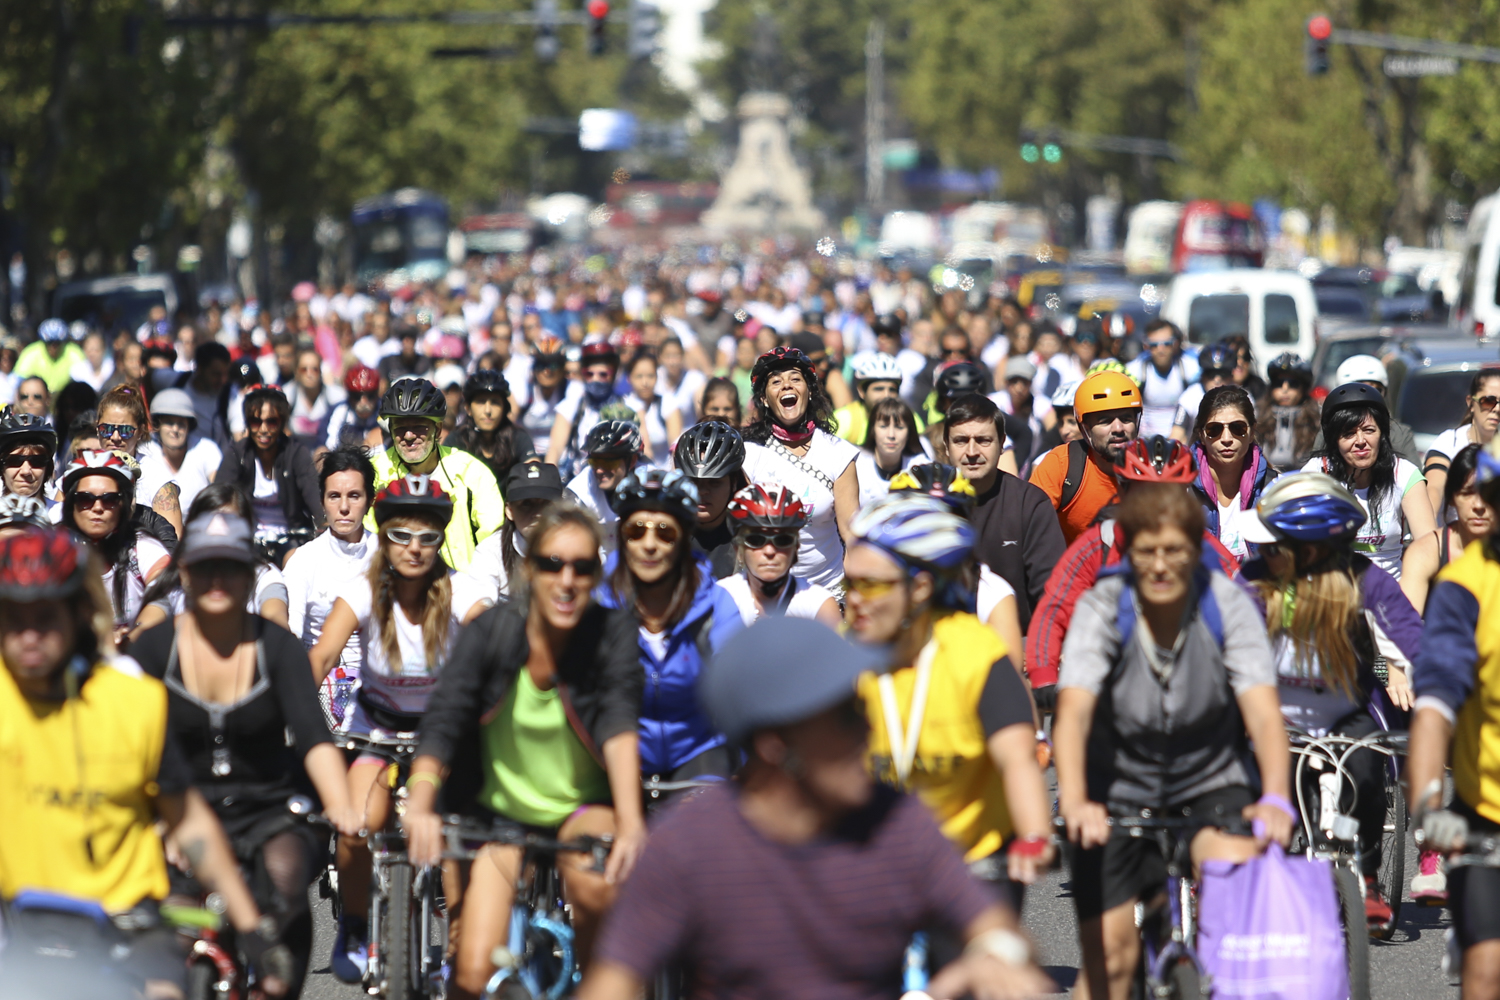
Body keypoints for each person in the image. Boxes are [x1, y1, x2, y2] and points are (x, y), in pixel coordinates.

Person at [578, 616, 1055, 1000]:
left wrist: (993, 957)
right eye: (848, 715)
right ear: (773, 745)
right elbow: (613, 984)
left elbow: (991, 923)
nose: (869, 731)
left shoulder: (895, 820)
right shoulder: (691, 845)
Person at [0, 526, 293, 999]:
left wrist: (253, 929)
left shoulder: (133, 701)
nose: (29, 635)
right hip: (23, 924)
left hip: (127, 923)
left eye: (46, 617)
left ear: (78, 615)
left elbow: (191, 824)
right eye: (14, 619)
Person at [1054, 483, 1294, 1000]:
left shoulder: (1226, 605)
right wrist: (1074, 800)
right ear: (1127, 551)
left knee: (1232, 923)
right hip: (1116, 787)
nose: (1160, 566)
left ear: (1197, 549)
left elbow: (1262, 713)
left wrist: (1276, 797)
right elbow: (1072, 714)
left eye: (1175, 551)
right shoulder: (1103, 608)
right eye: (1146, 552)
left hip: (1211, 778)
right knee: (1111, 962)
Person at [403, 502, 646, 999]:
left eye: (583, 567)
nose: (567, 580)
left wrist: (631, 819)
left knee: (596, 887)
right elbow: (446, 717)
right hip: (499, 815)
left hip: (583, 808)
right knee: (472, 974)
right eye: (552, 564)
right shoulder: (492, 631)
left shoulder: (611, 631)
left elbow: (620, 723)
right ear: (529, 568)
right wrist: (423, 798)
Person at [131, 510, 362, 999]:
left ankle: (276, 984)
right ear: (185, 572)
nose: (218, 580)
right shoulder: (153, 651)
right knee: (166, 939)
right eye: (205, 566)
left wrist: (342, 807)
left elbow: (314, 737)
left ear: (250, 573)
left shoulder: (276, 648)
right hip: (177, 810)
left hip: (269, 808)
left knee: (283, 890)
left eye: (232, 567)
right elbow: (127, 746)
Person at [309, 474, 489, 982]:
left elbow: (491, 633)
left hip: (444, 734)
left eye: (428, 536)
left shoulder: (461, 589)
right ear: (382, 536)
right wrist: (292, 708)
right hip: (376, 730)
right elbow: (322, 655)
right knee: (356, 823)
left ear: (441, 539)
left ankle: (457, 942)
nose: (414, 548)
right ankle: (355, 923)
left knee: (454, 836)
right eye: (400, 535)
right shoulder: (362, 590)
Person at [845, 494, 1053, 920]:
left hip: (973, 863)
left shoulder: (976, 654)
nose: (855, 600)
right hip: (883, 865)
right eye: (849, 583)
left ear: (920, 588)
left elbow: (1018, 760)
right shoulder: (844, 660)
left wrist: (1034, 834)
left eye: (871, 585)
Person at [1239, 471, 1424, 928]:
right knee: (1257, 795)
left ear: (1312, 549)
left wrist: (1435, 681)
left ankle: (1367, 873)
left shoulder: (1366, 580)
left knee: (1367, 769)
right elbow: (1218, 636)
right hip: (1273, 718)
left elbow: (1413, 638)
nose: (1261, 551)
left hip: (1345, 711)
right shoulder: (1255, 578)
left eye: (1274, 543)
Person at [1027, 436, 1242, 708]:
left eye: (1169, 495)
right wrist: (1044, 676)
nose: (1155, 508)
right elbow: (1054, 609)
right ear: (1123, 491)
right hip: (1110, 689)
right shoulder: (1099, 543)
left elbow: (1243, 606)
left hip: (1189, 688)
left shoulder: (1204, 549)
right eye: (1144, 493)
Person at [1407, 435, 1500, 991]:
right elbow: (1435, 703)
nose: (1484, 506)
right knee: (1488, 969)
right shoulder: (1462, 587)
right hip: (1485, 808)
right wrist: (1425, 803)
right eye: (1472, 495)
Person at [597, 468, 743, 789]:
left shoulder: (718, 607)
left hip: (699, 752)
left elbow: (742, 697)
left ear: (684, 537)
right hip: (613, 750)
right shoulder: (597, 603)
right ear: (621, 535)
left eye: (665, 532)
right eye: (636, 531)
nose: (649, 545)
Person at [739, 346, 860, 589]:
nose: (786, 385)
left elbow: (851, 534)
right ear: (764, 399)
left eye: (796, 379)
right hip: (767, 592)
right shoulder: (748, 454)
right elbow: (742, 533)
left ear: (810, 392)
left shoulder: (839, 453)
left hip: (829, 590)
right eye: (775, 381)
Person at [945, 394, 1064, 634]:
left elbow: (1052, 595)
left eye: (983, 440)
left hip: (1016, 646)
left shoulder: (1029, 503)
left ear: (1002, 443)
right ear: (946, 447)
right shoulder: (932, 505)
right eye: (960, 440)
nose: (971, 451)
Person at [284, 447, 379, 732]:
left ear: (370, 501)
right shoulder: (304, 560)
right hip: (318, 690)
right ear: (323, 501)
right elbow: (290, 634)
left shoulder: (387, 555)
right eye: (334, 496)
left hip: (379, 695)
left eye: (355, 496)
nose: (345, 507)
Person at [1305, 380, 1436, 585]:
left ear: (1382, 433)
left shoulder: (1404, 473)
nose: (1360, 441)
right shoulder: (1316, 472)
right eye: (1348, 433)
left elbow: (1429, 546)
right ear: (1333, 440)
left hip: (1390, 595)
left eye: (1369, 430)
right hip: (1333, 594)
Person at [368, 377, 505, 573]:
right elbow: (367, 541)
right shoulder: (374, 473)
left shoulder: (472, 471)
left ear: (438, 429)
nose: (408, 436)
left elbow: (494, 539)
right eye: (400, 427)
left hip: (461, 586)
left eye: (419, 427)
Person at [61, 449, 170, 640]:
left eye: (109, 499)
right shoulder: (54, 550)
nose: (97, 507)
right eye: (85, 498)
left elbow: (165, 599)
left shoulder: (144, 548)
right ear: (71, 504)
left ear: (124, 506)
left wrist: (129, 639)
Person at [1030, 368, 1143, 544]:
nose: (1118, 429)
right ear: (1085, 428)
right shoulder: (1061, 464)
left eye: (1126, 419)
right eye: (1105, 421)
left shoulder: (1155, 467)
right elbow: (1028, 526)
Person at [716, 483, 840, 628]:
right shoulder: (719, 598)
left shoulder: (819, 605)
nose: (769, 551)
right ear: (739, 550)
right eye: (756, 540)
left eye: (783, 540)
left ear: (796, 547)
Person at [214, 384, 322, 547]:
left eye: (271, 422)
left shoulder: (296, 454)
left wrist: (324, 524)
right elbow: (218, 497)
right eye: (255, 421)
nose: (263, 429)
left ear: (282, 423)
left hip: (291, 538)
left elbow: (315, 498)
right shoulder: (237, 453)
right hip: (246, 540)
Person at [460, 461, 566, 604]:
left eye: (547, 504)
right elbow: (479, 609)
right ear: (509, 511)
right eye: (526, 504)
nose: (537, 514)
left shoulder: (580, 547)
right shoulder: (490, 552)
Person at [1188, 384, 1273, 560]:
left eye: (1237, 428)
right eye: (1214, 430)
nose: (1226, 439)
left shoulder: (1273, 488)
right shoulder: (1181, 490)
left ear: (1251, 432)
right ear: (1202, 435)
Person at [134, 387, 223, 531]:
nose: (175, 429)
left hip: (202, 531)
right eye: (169, 423)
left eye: (181, 424)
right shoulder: (145, 452)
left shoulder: (206, 449)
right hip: (156, 533)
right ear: (157, 426)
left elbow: (221, 492)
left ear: (189, 426)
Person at [1310, 354, 1423, 465]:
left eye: (1375, 390)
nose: (1360, 441)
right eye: (1348, 433)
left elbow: (1413, 477)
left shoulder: (1400, 433)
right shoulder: (1327, 432)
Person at [672, 419, 746, 579]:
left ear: (734, 483)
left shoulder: (752, 541)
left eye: (714, 483)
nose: (702, 491)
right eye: (693, 481)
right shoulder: (665, 535)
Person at [1423, 368, 1500, 513]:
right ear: (1471, 403)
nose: (1497, 409)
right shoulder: (1449, 442)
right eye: (1489, 401)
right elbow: (1434, 488)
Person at [546, 341, 626, 476]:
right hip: (579, 481)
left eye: (603, 374)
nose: (596, 379)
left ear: (613, 374)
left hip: (617, 478)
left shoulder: (629, 406)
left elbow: (644, 449)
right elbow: (555, 449)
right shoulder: (571, 405)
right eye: (590, 374)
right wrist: (547, 478)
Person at [565, 419, 641, 558]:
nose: (599, 470)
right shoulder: (578, 491)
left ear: (633, 461)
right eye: (594, 461)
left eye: (608, 462)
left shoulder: (650, 483)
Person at [446, 367, 534, 486]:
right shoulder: (456, 440)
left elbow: (534, 471)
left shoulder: (518, 437)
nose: (488, 410)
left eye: (495, 402)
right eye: (481, 402)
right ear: (468, 408)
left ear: (505, 408)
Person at [1123, 318, 1197, 439]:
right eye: (1154, 345)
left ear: (1176, 344)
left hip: (1180, 440)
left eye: (1167, 344)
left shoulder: (1190, 369)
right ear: (1146, 346)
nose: (1161, 349)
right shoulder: (1135, 371)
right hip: (1144, 440)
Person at [855, 396, 931, 508]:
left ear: (910, 432)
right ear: (872, 430)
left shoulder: (921, 468)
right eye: (883, 426)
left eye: (899, 427)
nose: (891, 435)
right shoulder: (856, 466)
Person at [1256, 351, 1321, 472]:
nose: (1285, 389)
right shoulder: (1258, 417)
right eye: (1278, 384)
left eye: (1293, 384)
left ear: (1304, 388)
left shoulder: (1317, 418)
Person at [832, 352, 913, 445]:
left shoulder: (908, 417)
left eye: (892, 390)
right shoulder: (843, 419)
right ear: (861, 391)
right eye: (879, 389)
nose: (886, 395)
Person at [1168, 341, 1236, 443]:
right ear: (1202, 376)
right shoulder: (1189, 397)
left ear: (1231, 376)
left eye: (1223, 373)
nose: (1217, 379)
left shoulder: (1243, 397)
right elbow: (1176, 436)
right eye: (1211, 374)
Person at [621, 350, 680, 465]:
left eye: (650, 376)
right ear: (629, 378)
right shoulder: (624, 406)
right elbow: (645, 451)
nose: (645, 382)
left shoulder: (668, 403)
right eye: (639, 376)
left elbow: (676, 446)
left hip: (665, 473)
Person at [287, 347, 345, 450]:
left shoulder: (336, 396)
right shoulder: (288, 395)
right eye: (304, 369)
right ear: (296, 372)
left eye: (315, 369)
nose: (310, 374)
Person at [518, 335, 570, 440]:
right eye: (541, 364)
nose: (547, 371)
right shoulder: (524, 388)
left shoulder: (570, 390)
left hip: (562, 454)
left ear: (563, 369)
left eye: (553, 365)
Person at [0, 406, 56, 503]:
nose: (26, 471)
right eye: (14, 461)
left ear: (48, 468)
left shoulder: (62, 515)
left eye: (37, 462)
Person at [323, 364, 383, 451]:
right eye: (356, 396)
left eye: (370, 395)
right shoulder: (339, 412)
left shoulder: (386, 412)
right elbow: (327, 446)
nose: (363, 402)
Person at [16, 318, 83, 394]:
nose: (53, 347)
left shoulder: (74, 352)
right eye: (49, 343)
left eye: (57, 343)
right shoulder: (31, 352)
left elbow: (84, 380)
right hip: (38, 397)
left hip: (65, 398)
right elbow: (18, 380)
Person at [655, 336, 705, 425]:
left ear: (683, 356)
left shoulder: (694, 378)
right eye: (668, 356)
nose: (672, 362)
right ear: (660, 358)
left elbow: (701, 411)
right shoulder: (655, 377)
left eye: (676, 355)